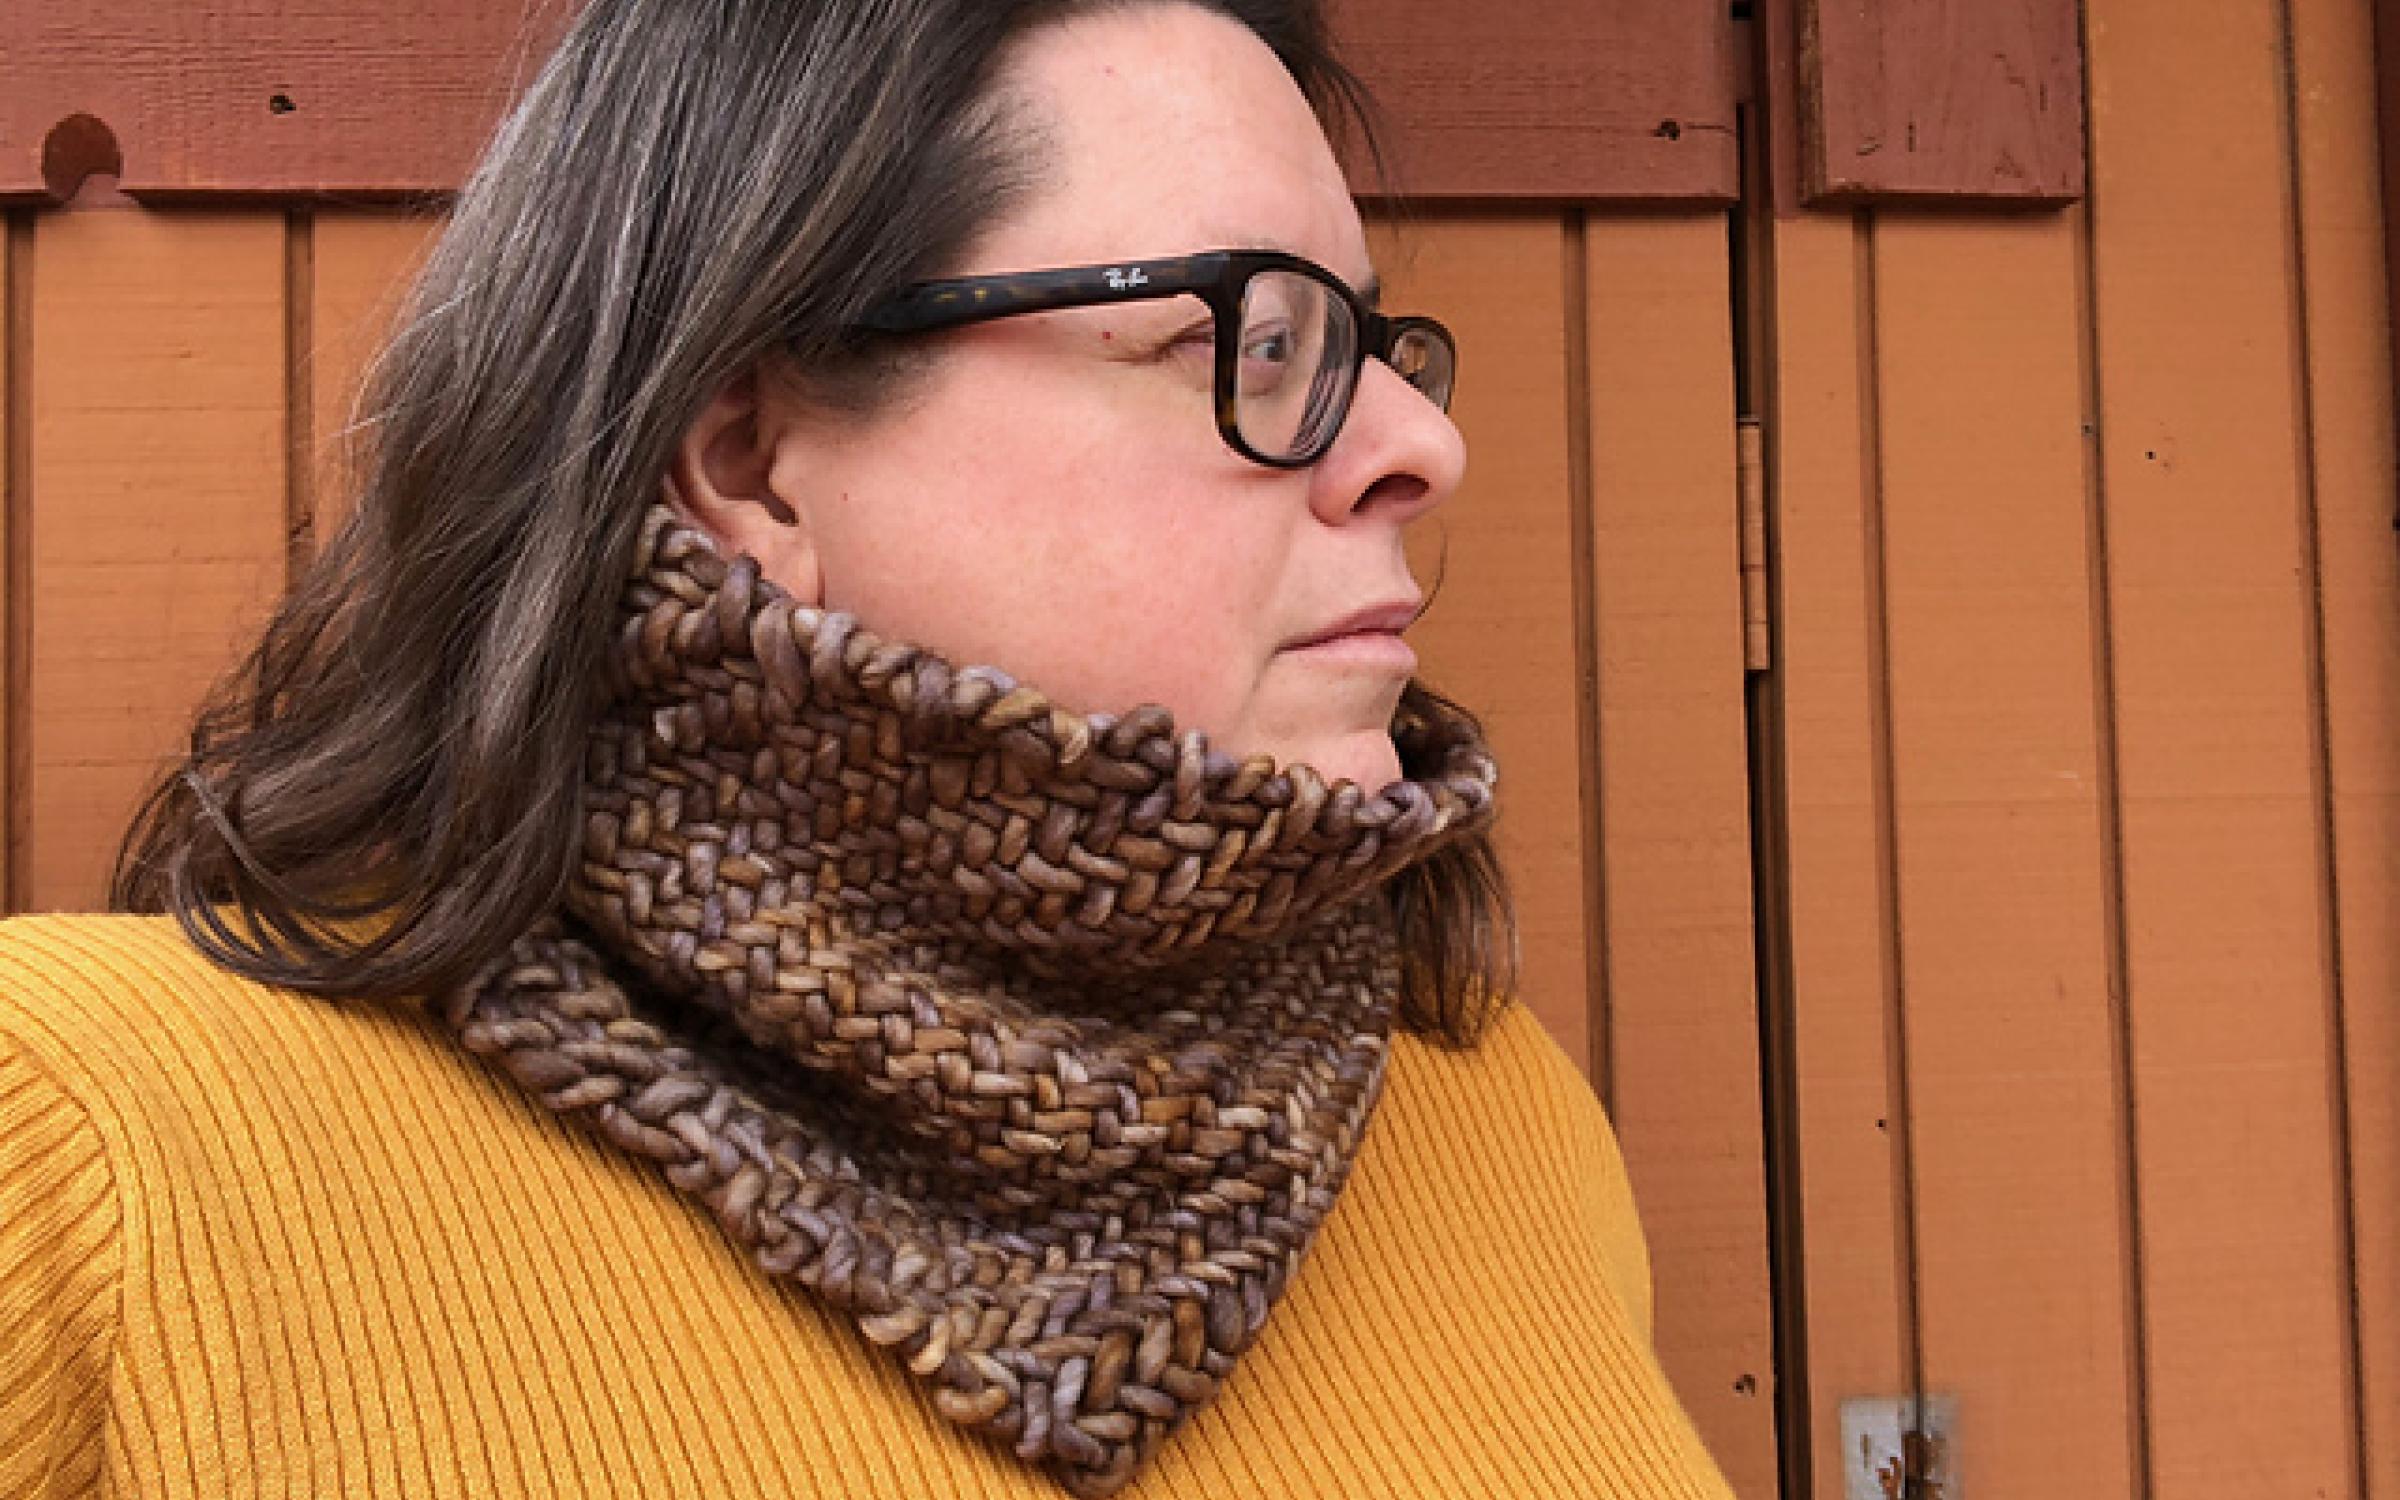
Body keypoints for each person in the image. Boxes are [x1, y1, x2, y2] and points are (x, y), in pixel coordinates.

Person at [0, 1, 1741, 1496]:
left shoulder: (1477, 1110)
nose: (1421, 441)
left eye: (1373, 346)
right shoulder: (85, 1144)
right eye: (1263, 339)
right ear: (755, 461)